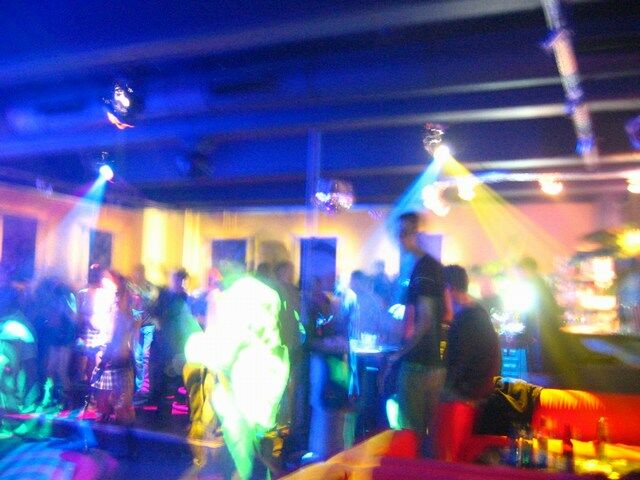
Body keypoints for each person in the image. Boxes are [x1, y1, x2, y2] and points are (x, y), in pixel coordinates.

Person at [384, 211, 450, 456]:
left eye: (404, 232)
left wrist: (399, 353)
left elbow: (425, 320)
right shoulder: (430, 267)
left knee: (410, 433)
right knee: (427, 438)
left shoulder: (423, 268)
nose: (399, 238)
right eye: (398, 233)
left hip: (419, 364)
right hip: (434, 364)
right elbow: (447, 312)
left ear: (416, 234)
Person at [442, 265, 501, 402]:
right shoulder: (477, 311)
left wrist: (444, 389)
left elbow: (459, 361)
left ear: (449, 289)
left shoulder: (466, 318)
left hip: (467, 394)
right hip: (479, 389)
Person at [516, 257, 563, 374]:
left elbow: (531, 312)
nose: (519, 274)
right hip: (545, 330)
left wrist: (526, 328)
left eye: (520, 270)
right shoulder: (540, 283)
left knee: (540, 362)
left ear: (527, 269)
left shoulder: (532, 285)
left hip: (540, 330)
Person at [128, 264, 158, 399]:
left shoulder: (150, 287)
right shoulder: (131, 288)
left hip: (148, 326)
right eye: (136, 273)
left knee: (145, 356)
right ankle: (139, 387)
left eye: (139, 273)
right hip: (136, 327)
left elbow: (153, 301)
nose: (137, 275)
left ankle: (144, 389)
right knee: (137, 356)